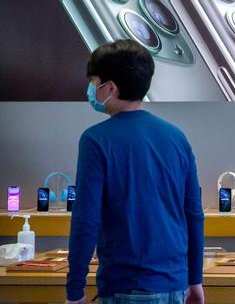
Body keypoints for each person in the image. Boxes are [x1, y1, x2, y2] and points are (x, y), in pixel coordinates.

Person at [66, 39, 204, 304]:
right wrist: (194, 279)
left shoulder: (96, 140)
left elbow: (87, 219)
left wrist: (74, 290)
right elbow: (193, 214)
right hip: (175, 284)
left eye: (94, 83)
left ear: (110, 88)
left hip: (126, 285)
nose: (92, 89)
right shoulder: (177, 137)